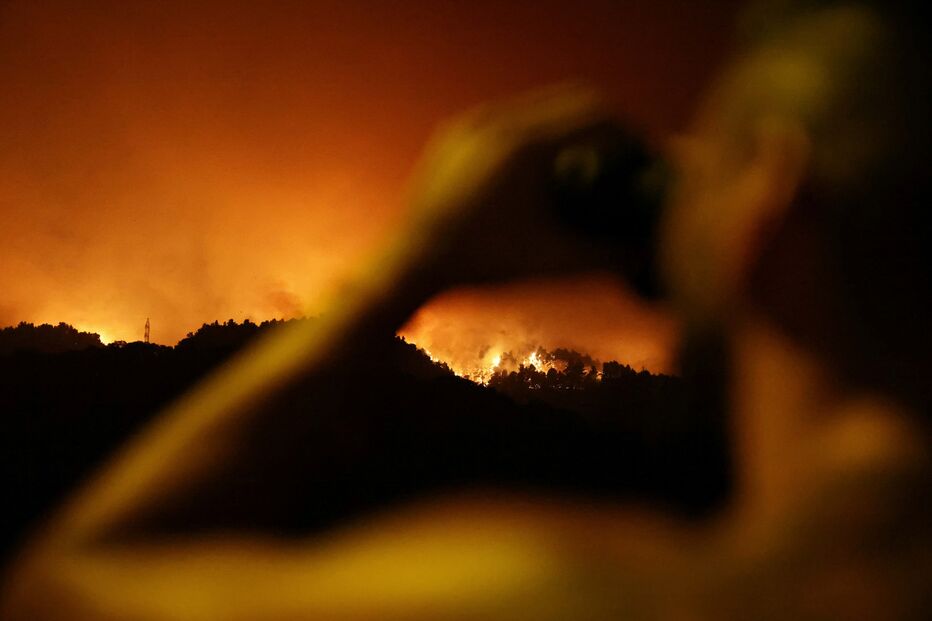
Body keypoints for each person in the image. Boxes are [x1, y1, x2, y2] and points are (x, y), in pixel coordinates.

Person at [2, 1, 929, 619]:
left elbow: (54, 591)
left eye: (708, 163)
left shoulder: (614, 594)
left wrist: (408, 272)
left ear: (771, 210)